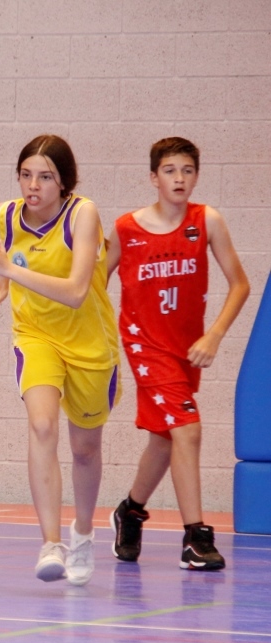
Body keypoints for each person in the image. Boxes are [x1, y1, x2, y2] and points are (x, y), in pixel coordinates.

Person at [0, 134, 120, 586]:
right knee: (41, 425)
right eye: (26, 175)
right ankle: (51, 541)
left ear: (64, 181)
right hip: (36, 335)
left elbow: (76, 292)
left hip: (90, 343)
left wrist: (7, 273)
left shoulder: (83, 214)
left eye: (45, 176)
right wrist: (1, 290)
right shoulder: (7, 215)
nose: (33, 185)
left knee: (84, 449)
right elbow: (12, 257)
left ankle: (83, 533)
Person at [107, 137, 249, 571]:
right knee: (187, 430)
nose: (179, 178)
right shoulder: (126, 229)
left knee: (165, 439)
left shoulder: (206, 221)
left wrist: (214, 336)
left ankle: (130, 511)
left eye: (187, 170)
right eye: (170, 170)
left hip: (186, 347)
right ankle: (196, 539)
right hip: (144, 344)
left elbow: (240, 284)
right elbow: (90, 282)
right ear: (154, 177)